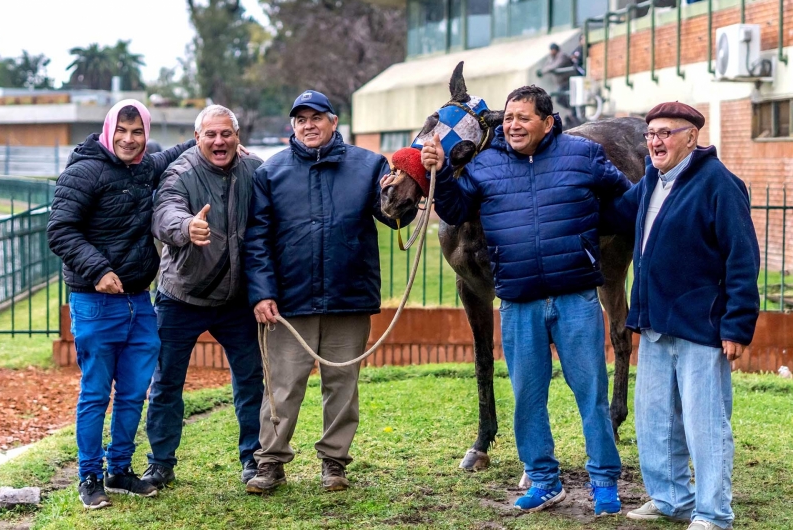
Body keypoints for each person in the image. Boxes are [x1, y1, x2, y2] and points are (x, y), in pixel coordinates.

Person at [421, 85, 630, 515]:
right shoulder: (488, 164)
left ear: (547, 123)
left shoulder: (581, 154)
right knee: (528, 397)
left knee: (590, 394)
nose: (513, 125)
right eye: (509, 118)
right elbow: (456, 210)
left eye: (524, 118)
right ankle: (544, 480)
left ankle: (605, 481)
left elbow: (625, 200)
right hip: (519, 303)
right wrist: (441, 174)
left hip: (574, 298)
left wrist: (590, 236)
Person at [243, 90, 415, 494]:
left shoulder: (369, 165)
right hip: (289, 302)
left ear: (333, 121)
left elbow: (395, 217)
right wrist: (262, 293)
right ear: (293, 126)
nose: (309, 125)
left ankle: (334, 463)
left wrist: (408, 185)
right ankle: (270, 462)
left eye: (316, 117)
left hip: (348, 295)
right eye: (301, 119)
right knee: (282, 386)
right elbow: (257, 239)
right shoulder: (271, 173)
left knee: (342, 385)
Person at [607, 102, 760, 530]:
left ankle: (712, 513)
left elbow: (743, 259)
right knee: (656, 422)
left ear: (691, 137)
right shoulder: (652, 180)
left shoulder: (719, 184)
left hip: (702, 328)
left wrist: (737, 325)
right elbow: (615, 213)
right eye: (650, 133)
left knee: (705, 426)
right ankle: (671, 498)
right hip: (656, 324)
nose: (654, 141)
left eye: (665, 133)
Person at [46, 99, 195, 509]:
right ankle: (89, 476)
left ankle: (119, 469)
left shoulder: (144, 167)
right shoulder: (84, 171)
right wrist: (97, 270)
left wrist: (205, 139)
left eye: (138, 132)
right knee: (96, 394)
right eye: (122, 131)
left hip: (139, 302)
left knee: (133, 394)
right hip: (95, 302)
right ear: (109, 130)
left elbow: (170, 155)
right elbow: (60, 229)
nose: (130, 140)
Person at [143, 105, 265, 489]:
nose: (219, 141)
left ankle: (254, 459)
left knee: (251, 381)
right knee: (166, 384)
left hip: (237, 300)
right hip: (182, 296)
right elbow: (164, 213)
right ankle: (161, 463)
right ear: (197, 138)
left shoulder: (255, 170)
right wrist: (186, 226)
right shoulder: (179, 172)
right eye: (210, 134)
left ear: (237, 137)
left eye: (226, 134)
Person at [540, 43, 575, 112]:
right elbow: (547, 65)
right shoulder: (552, 57)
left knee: (567, 98)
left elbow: (555, 66)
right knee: (560, 99)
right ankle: (572, 111)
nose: (551, 52)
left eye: (552, 50)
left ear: (555, 50)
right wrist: (544, 70)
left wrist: (546, 70)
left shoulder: (562, 56)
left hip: (568, 81)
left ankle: (574, 112)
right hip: (561, 83)